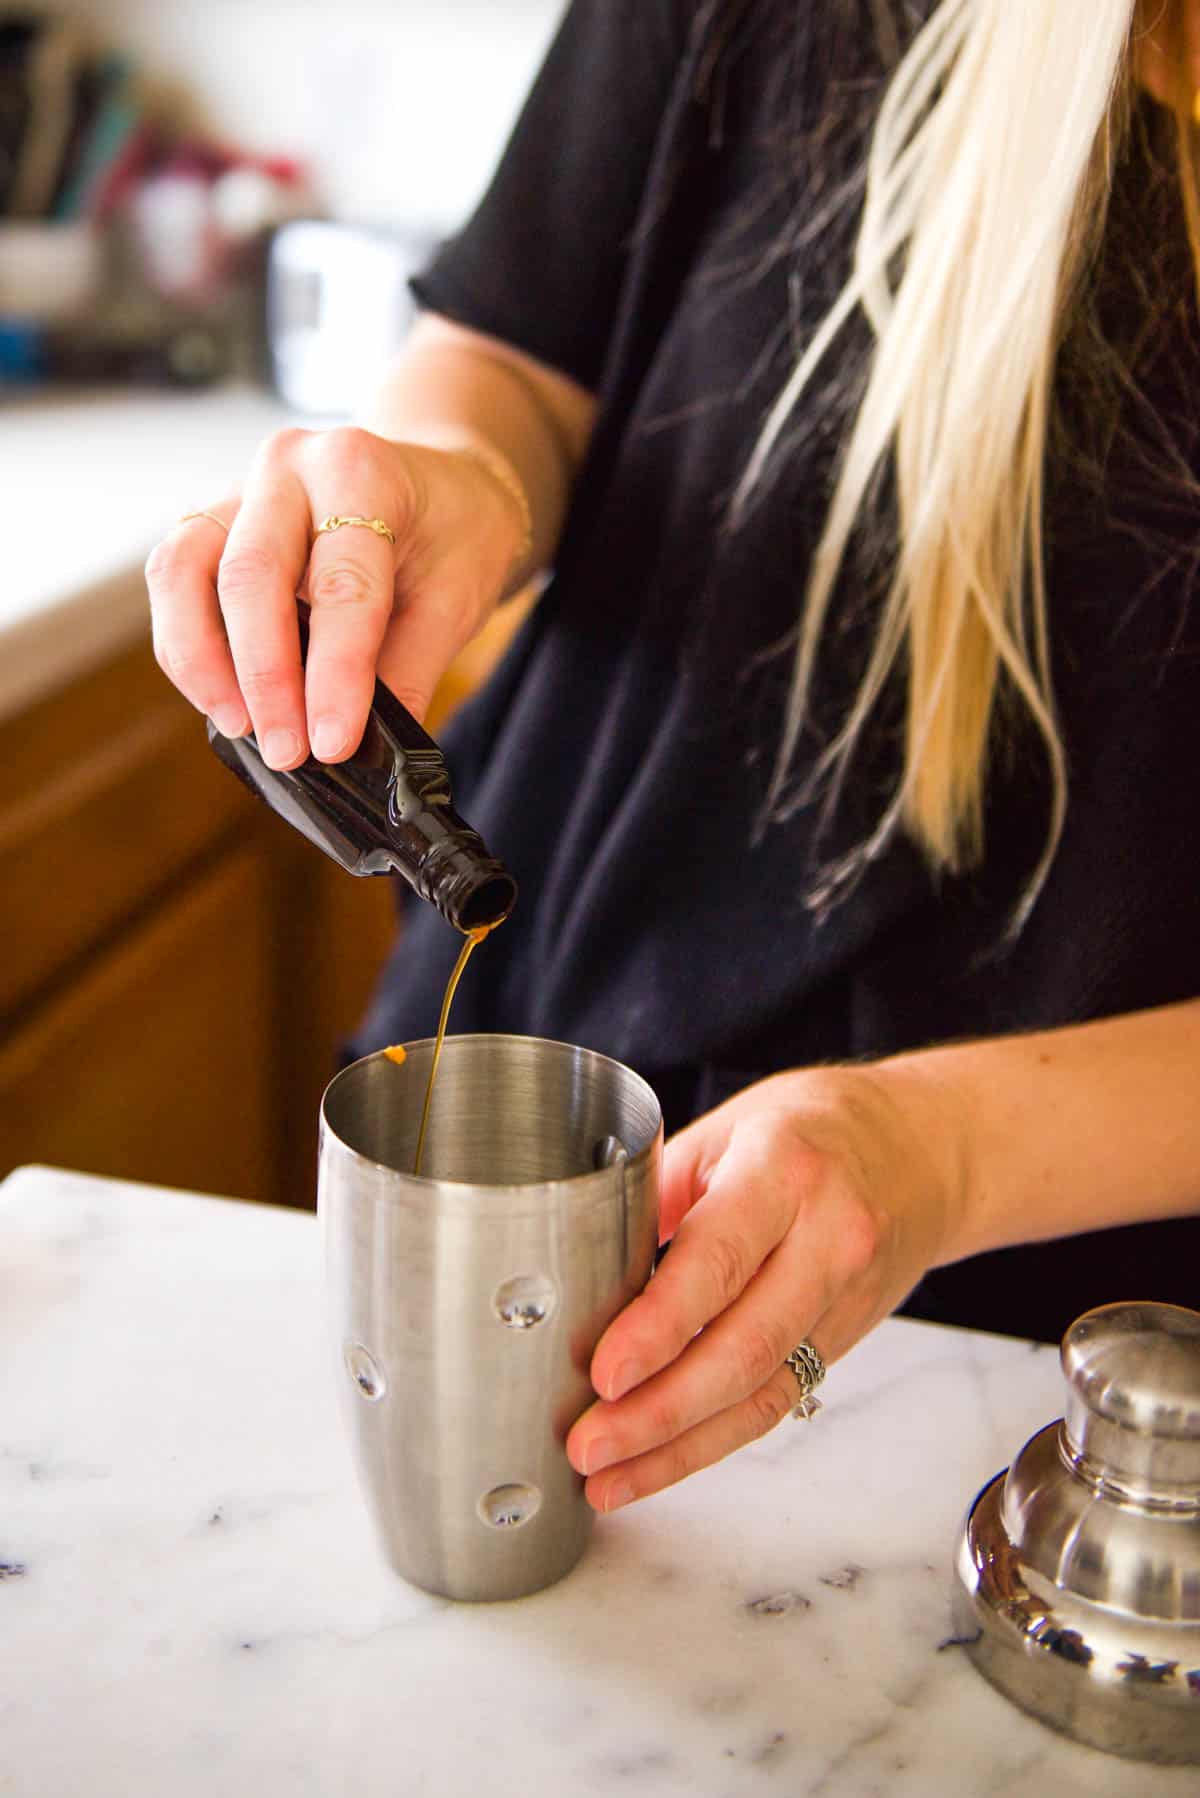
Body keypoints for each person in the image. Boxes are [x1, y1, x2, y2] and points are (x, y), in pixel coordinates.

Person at [147, 0, 1200, 1514]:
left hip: (1069, 1383)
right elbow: (513, 347)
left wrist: (943, 1152)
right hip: (567, 1016)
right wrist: (450, 481)